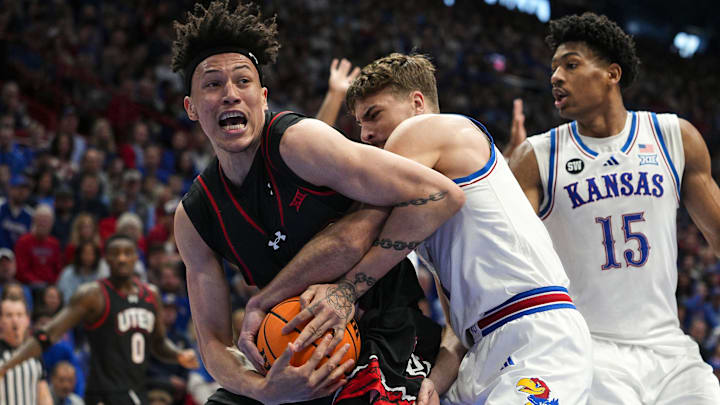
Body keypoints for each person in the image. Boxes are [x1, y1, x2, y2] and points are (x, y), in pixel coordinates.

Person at [170, 1, 464, 404]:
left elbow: (439, 193)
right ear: (190, 107)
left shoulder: (299, 142)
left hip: (382, 336)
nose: (230, 95)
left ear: (263, 97)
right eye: (213, 84)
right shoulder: (195, 216)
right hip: (290, 357)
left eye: (243, 81)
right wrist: (264, 390)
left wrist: (344, 290)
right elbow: (213, 343)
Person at [285, 53, 593, 404]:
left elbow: (359, 223)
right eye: (359, 124)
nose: (366, 133)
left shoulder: (427, 129)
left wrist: (342, 292)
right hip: (481, 352)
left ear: (417, 103)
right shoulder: (424, 211)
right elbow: (456, 328)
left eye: (374, 115)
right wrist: (436, 380)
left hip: (536, 336)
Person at [508, 12, 720, 403]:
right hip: (590, 352)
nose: (555, 77)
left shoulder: (674, 138)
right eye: (553, 68)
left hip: (670, 352)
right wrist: (498, 183)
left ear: (612, 73)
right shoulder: (537, 156)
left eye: (570, 65)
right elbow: (503, 254)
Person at [0, 233, 198, 405]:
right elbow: (48, 334)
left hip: (137, 391)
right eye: (115, 254)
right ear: (106, 259)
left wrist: (178, 355)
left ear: (136, 258)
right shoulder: (92, 295)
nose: (121, 258)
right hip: (103, 395)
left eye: (127, 253)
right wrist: (6, 366)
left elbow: (158, 343)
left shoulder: (151, 294)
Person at [0, 296, 52, 405]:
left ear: (27, 320)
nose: (15, 320)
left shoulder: (34, 352)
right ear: (1, 321)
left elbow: (43, 394)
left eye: (19, 315)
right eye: (9, 315)